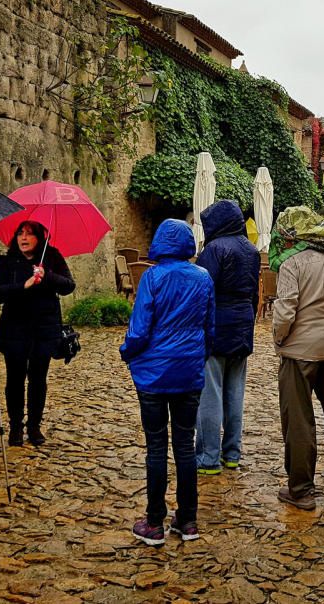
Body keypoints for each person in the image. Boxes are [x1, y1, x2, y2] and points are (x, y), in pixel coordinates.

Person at [121, 219, 215, 546]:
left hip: (153, 375)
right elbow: (209, 327)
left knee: (157, 447)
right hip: (188, 372)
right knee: (185, 447)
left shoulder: (152, 277)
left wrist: (127, 352)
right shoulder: (203, 278)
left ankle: (154, 522)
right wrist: (195, 358)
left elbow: (139, 329)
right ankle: (188, 520)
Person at [270, 206, 324, 511]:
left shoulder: (291, 264)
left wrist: (279, 339)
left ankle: (302, 490)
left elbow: (285, 311)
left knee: (299, 420)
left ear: (294, 235)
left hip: (299, 351)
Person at [0, 221, 75, 447]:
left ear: (39, 238)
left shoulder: (52, 257)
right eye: (20, 233)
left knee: (38, 379)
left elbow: (68, 285)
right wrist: (24, 285)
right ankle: (16, 427)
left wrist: (47, 275)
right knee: (15, 379)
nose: (24, 237)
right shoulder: (8, 262)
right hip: (15, 330)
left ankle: (34, 426)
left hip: (43, 330)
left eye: (29, 234)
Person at [195, 200, 261, 475]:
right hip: (242, 324)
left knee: (210, 393)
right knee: (235, 393)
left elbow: (202, 290)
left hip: (216, 326)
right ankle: (232, 453)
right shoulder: (251, 250)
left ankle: (209, 457)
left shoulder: (214, 249)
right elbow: (255, 293)